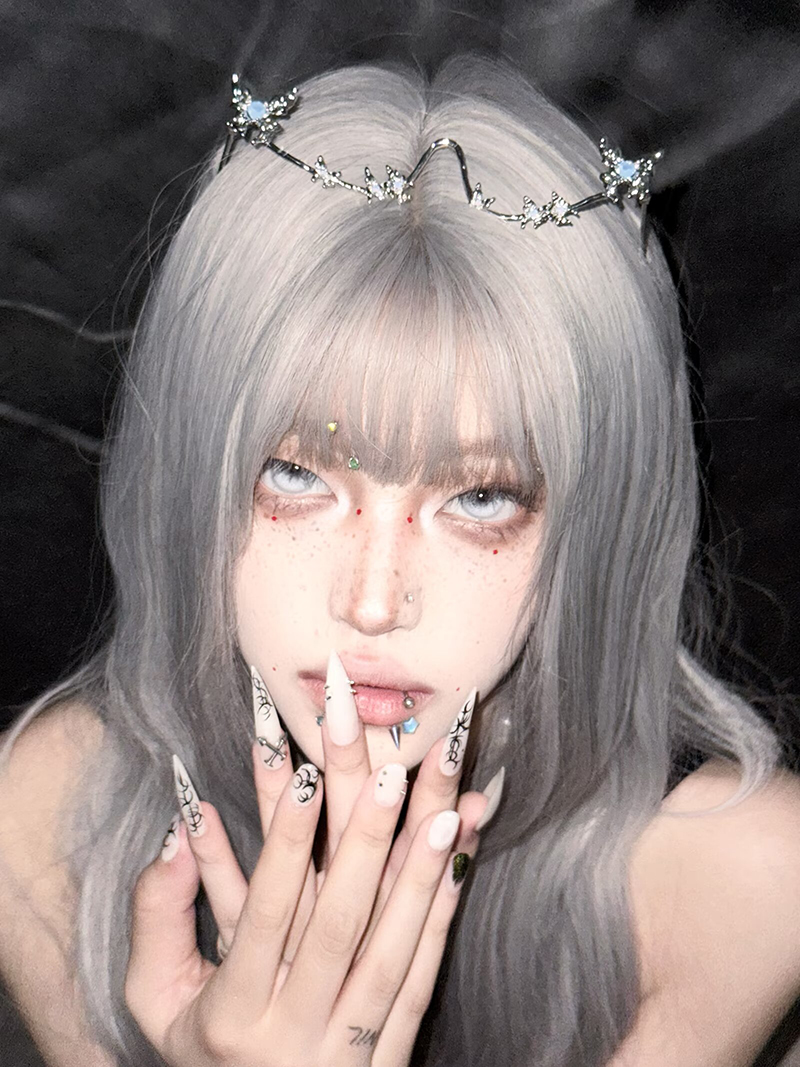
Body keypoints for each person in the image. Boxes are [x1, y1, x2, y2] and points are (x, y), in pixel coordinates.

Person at [1, 52, 799, 1067]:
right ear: (189, 474)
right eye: (293, 475)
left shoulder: (740, 878)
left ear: (595, 523)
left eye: (480, 497)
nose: (373, 600)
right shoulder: (49, 815)